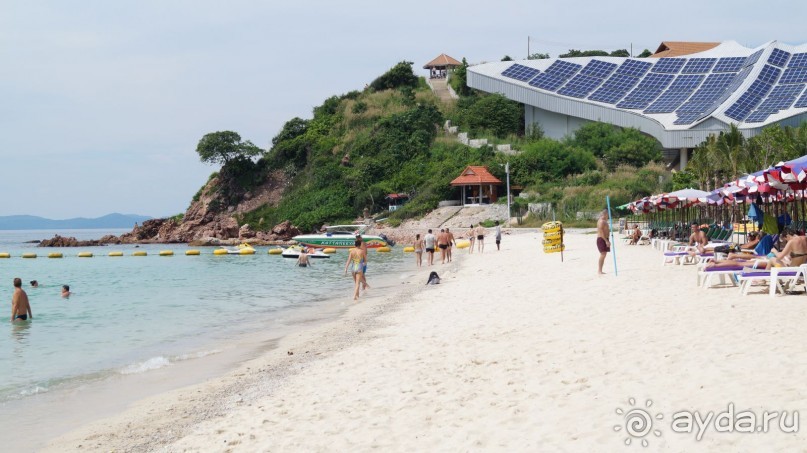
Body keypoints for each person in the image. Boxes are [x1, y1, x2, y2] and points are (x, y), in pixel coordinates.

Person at [597, 210, 611, 275]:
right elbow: (601, 232)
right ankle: (599, 270)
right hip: (602, 239)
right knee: (603, 254)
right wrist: (606, 241)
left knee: (604, 254)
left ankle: (600, 270)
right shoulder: (601, 221)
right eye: (607, 215)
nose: (608, 216)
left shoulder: (604, 221)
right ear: (605, 214)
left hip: (605, 239)